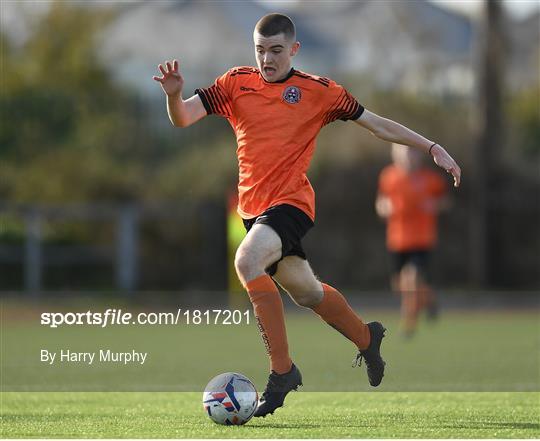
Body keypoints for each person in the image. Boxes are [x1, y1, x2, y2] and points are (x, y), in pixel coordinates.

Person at [153, 13, 461, 417]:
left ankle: (282, 372)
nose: (267, 59)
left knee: (246, 261)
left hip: (292, 204)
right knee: (307, 293)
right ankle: (367, 338)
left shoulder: (319, 91)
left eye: (276, 50)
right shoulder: (234, 83)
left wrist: (431, 147)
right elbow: (184, 118)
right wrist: (174, 96)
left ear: (294, 49)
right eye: (260, 50)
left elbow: (376, 125)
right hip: (254, 211)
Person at [376, 144, 450, 338]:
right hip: (397, 240)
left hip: (422, 239)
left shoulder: (431, 179)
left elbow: (445, 201)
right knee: (399, 286)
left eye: (411, 152)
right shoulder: (388, 176)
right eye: (403, 152)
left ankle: (408, 324)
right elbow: (381, 201)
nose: (408, 157)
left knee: (411, 279)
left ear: (419, 155)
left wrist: (434, 204)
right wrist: (384, 207)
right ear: (395, 155)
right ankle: (430, 299)